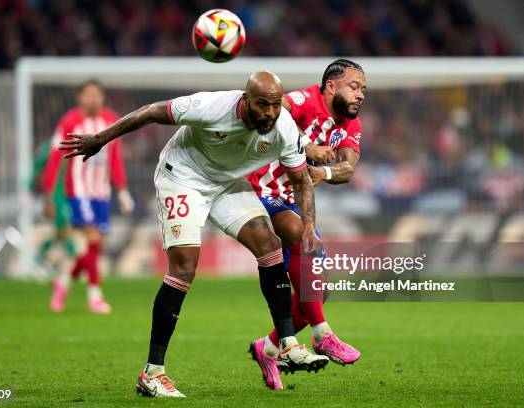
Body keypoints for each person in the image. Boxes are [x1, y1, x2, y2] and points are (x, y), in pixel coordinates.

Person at [60, 71, 329, 398]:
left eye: (275, 104)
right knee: (185, 267)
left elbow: (302, 182)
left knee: (269, 244)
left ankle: (287, 344)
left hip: (227, 184)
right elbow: (151, 112)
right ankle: (153, 373)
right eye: (262, 104)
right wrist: (100, 139)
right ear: (245, 100)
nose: (270, 112)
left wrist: (310, 226)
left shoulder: (283, 126)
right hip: (183, 178)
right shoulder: (212, 106)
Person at [247, 59, 366, 390]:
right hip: (257, 188)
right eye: (354, 86)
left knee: (317, 290)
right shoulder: (304, 100)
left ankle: (267, 348)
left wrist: (323, 172)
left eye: (363, 90)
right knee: (303, 239)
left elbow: (348, 168)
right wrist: (306, 145)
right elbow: (272, 112)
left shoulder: (350, 125)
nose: (360, 95)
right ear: (331, 86)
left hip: (288, 198)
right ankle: (322, 335)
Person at [43, 79, 134, 314]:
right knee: (92, 239)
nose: (93, 99)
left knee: (93, 248)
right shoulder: (69, 122)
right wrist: (49, 195)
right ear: (79, 97)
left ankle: (63, 281)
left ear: (103, 97)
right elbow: (55, 158)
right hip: (78, 193)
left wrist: (122, 191)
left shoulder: (111, 120)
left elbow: (115, 158)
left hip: (101, 194)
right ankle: (95, 296)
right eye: (88, 94)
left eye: (97, 94)